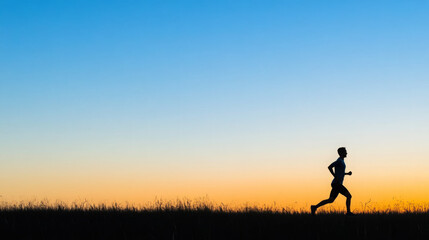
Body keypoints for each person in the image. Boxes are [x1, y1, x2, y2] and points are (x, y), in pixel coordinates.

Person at [311, 147, 354, 215]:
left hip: (336, 183)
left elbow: (340, 173)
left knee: (330, 200)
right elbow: (330, 167)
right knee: (349, 196)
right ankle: (348, 212)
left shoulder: (342, 161)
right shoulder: (339, 161)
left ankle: (314, 207)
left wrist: (347, 173)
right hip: (337, 184)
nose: (346, 153)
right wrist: (335, 176)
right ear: (341, 153)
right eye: (345, 152)